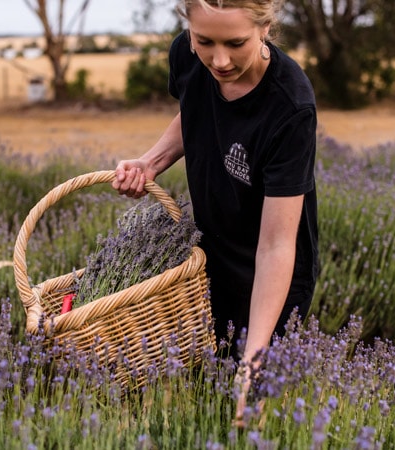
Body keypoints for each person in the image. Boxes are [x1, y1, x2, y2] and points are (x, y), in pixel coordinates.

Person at [112, 0, 319, 423]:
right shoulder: (185, 56)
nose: (219, 60)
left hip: (271, 274)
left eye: (236, 43)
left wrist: (254, 357)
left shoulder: (290, 106)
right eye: (204, 40)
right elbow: (194, 108)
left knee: (251, 408)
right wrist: (151, 162)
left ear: (265, 28)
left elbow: (278, 246)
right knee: (206, 399)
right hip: (206, 259)